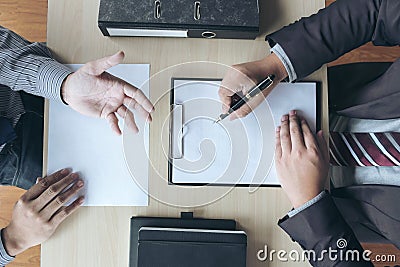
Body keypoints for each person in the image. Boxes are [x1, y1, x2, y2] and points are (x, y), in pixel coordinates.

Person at [219, 0, 399, 266]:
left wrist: (309, 202)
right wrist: (277, 65)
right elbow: (379, 7)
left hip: (325, 215)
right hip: (326, 94)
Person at [0, 26, 154, 265]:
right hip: (10, 159)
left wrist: (63, 85)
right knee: (78, 197)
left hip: (19, 86)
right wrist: (12, 239)